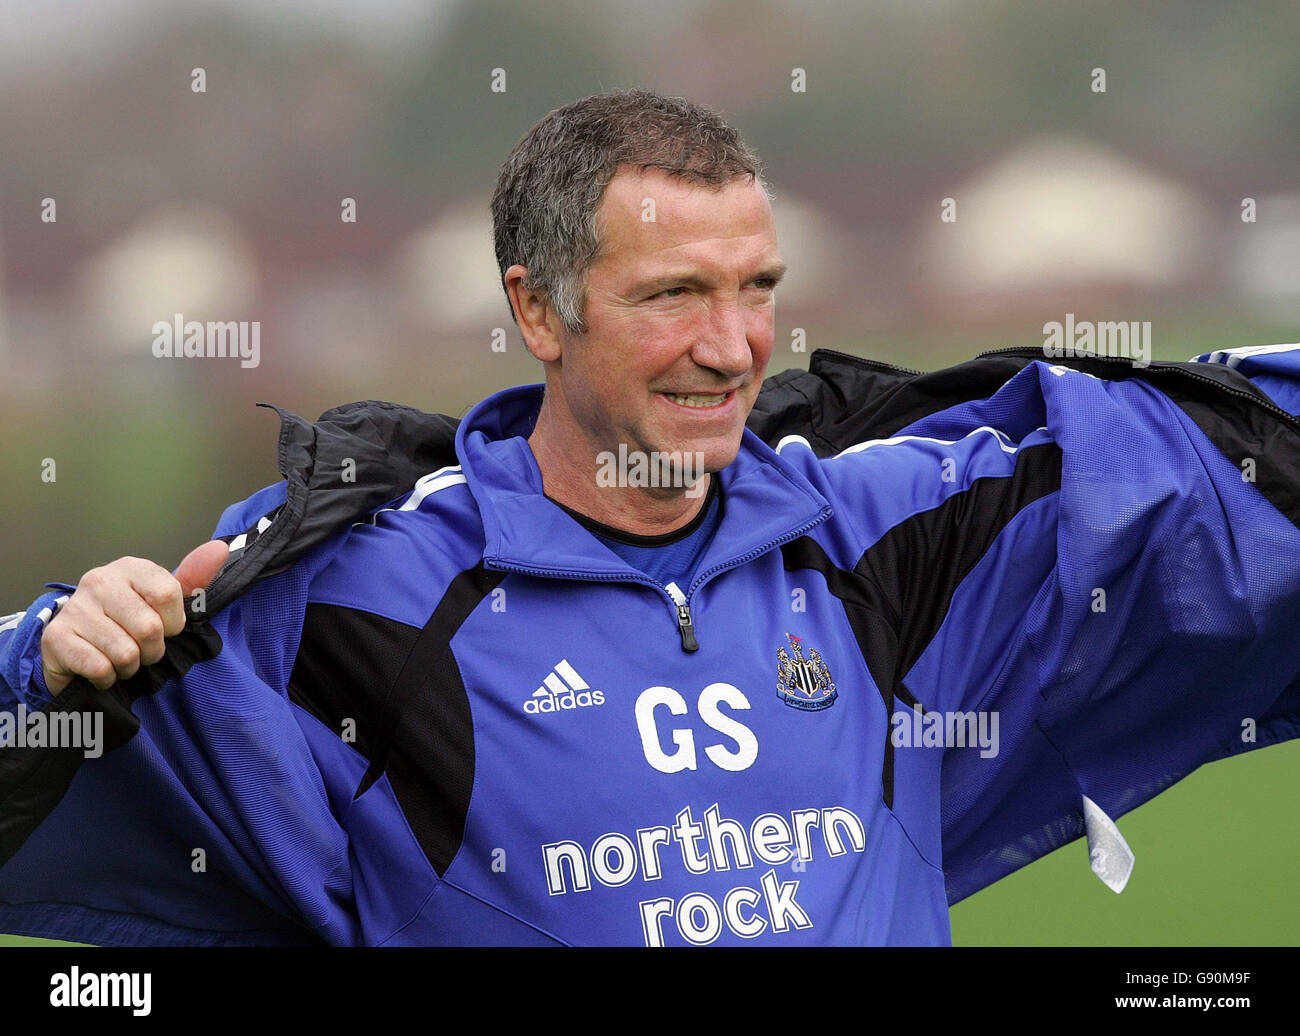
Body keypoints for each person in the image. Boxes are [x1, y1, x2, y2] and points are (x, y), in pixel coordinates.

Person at [2, 89, 1298, 946]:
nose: (733, 348)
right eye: (674, 295)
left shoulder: (884, 533)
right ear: (538, 311)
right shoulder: (354, 603)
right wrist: (52, 663)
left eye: (758, 289)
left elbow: (1210, 463)